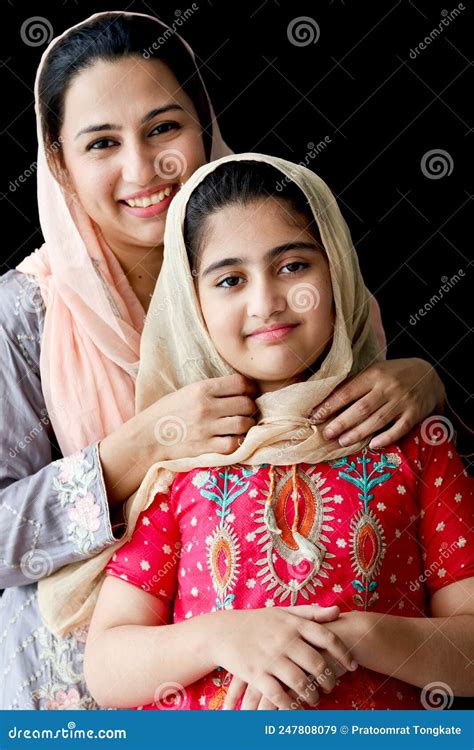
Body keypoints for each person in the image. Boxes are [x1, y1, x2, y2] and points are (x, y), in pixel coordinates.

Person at [0, 12, 446, 710]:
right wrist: (136, 451)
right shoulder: (25, 319)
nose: (142, 168)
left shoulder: (287, 270)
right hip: (75, 691)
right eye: (102, 143)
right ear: (58, 162)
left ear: (204, 125)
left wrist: (424, 383)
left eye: (163, 128)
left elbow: (364, 452)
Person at [83, 155, 474, 711]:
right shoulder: (190, 461)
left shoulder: (406, 440)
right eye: (230, 279)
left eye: (292, 266)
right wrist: (221, 636)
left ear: (335, 268)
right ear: (192, 305)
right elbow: (106, 667)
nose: (265, 301)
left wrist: (346, 638)